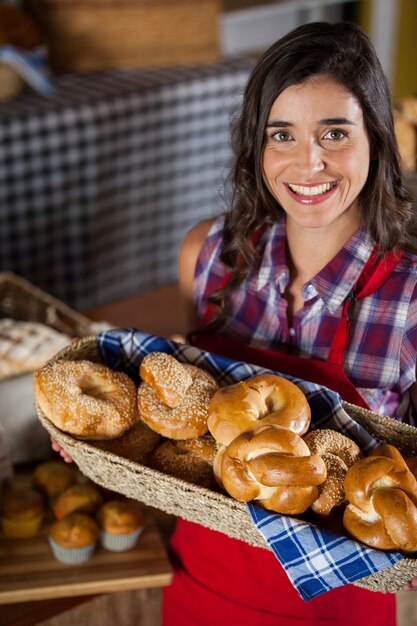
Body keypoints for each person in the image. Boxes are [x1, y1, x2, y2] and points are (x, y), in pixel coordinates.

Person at [161, 20, 417, 626]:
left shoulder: (410, 297)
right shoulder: (208, 255)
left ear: (376, 141)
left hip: (339, 608)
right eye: (283, 134)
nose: (309, 163)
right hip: (201, 582)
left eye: (335, 132)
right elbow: (181, 418)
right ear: (257, 145)